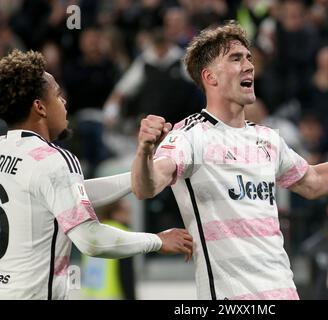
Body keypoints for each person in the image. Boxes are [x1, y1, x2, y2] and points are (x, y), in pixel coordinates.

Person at [131, 22, 328, 300]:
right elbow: (146, 187)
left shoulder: (267, 139)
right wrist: (145, 150)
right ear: (210, 77)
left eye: (249, 58)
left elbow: (315, 182)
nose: (249, 65)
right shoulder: (189, 136)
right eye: (236, 58)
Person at [0, 50, 193, 300]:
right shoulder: (52, 159)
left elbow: (65, 194)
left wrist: (141, 174)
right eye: (58, 95)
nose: (64, 102)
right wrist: (157, 240)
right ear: (40, 107)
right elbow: (91, 240)